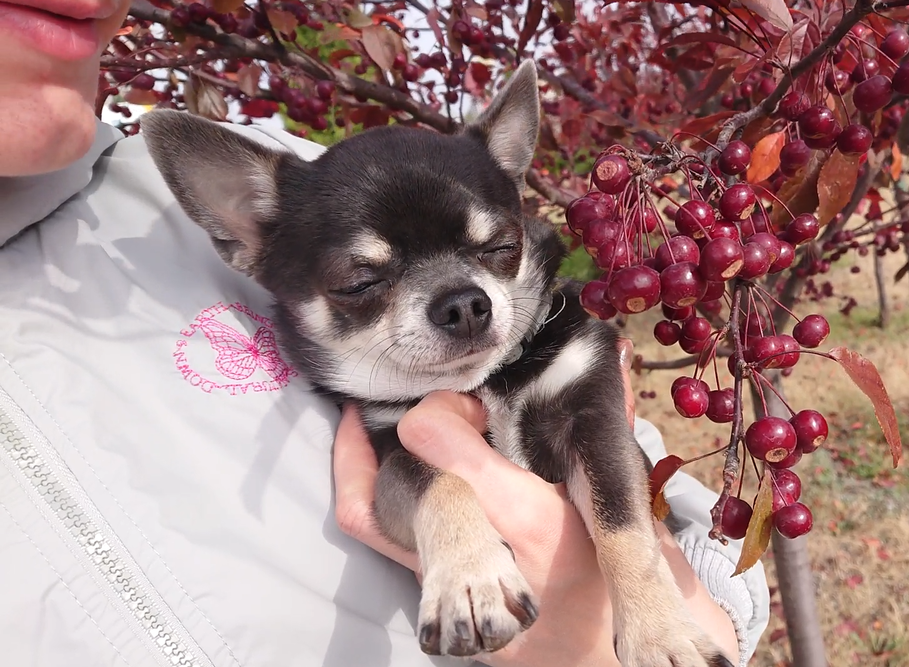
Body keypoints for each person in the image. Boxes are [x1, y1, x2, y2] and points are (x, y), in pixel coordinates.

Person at [0, 2, 770, 666]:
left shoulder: (322, 177)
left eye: (494, 250)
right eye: (365, 284)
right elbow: (407, 472)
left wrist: (653, 603)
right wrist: (449, 523)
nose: (464, 306)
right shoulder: (299, 215)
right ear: (247, 232)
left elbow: (709, 551)